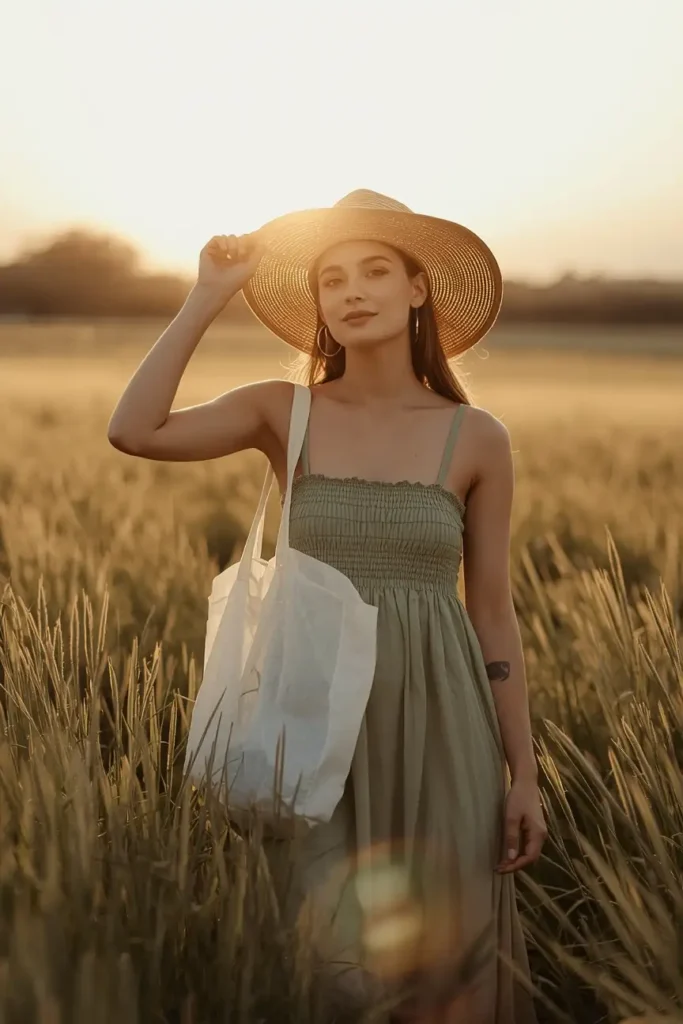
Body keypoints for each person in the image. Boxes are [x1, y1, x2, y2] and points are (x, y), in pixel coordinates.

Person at [108, 189, 547, 1023]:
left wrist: (521, 772)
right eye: (332, 277)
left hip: (441, 721)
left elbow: (492, 612)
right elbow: (135, 430)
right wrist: (206, 294)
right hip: (311, 723)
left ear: (418, 290)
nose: (350, 291)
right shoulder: (286, 412)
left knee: (443, 956)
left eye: (374, 271)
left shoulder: (477, 435)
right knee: (322, 956)